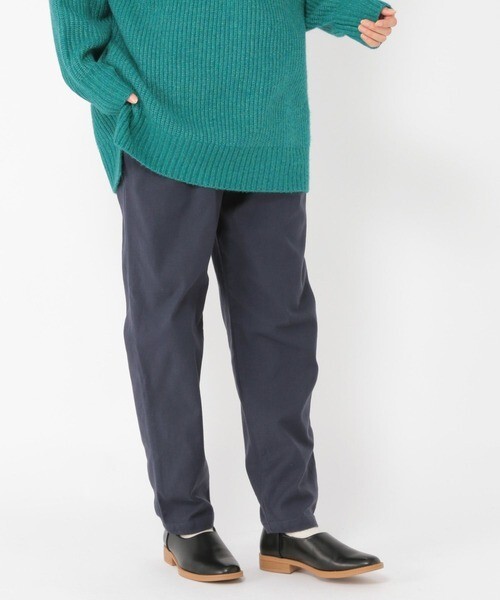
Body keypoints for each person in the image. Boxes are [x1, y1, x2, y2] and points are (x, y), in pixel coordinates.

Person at [49, 0, 397, 583]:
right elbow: (78, 25)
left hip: (269, 127)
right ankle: (185, 523)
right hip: (161, 130)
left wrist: (352, 13)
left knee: (281, 325)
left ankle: (290, 523)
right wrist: (113, 93)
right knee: (166, 326)